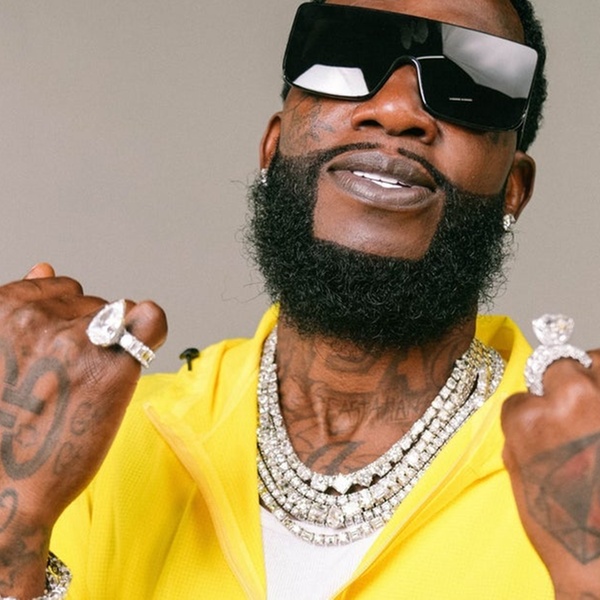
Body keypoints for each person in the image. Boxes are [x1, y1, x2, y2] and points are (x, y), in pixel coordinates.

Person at [0, 0, 598, 598]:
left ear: (513, 189)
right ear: (272, 146)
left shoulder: (580, 459)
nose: (396, 112)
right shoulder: (94, 437)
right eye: (347, 52)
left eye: (470, 77)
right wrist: (14, 521)